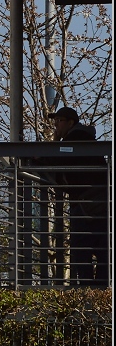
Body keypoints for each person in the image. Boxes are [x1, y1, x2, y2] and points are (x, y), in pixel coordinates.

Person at [50, 107, 109, 287]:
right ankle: (100, 291)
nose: (56, 125)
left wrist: (53, 144)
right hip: (99, 202)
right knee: (102, 249)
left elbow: (55, 160)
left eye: (59, 120)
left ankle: (88, 290)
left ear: (70, 123)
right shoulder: (84, 139)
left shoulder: (74, 140)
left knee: (81, 247)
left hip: (85, 203)